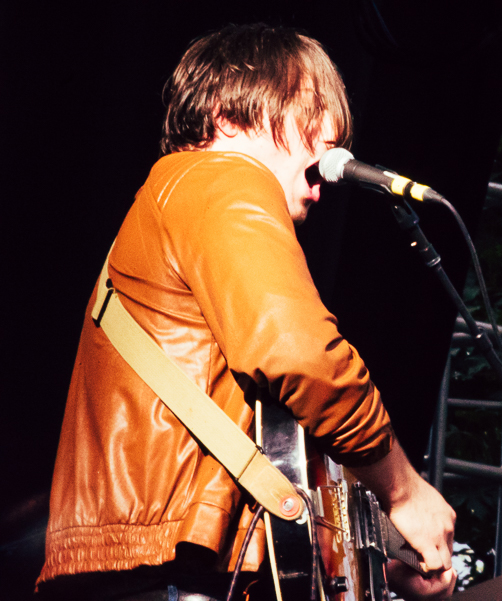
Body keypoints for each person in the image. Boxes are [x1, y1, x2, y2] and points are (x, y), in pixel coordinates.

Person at [36, 24, 456, 601]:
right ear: (232, 114)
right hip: (171, 578)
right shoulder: (222, 175)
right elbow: (301, 356)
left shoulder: (184, 203)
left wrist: (376, 571)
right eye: (313, 114)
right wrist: (405, 493)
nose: (334, 142)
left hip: (172, 569)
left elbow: (267, 466)